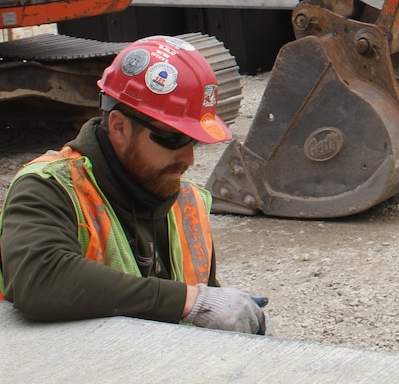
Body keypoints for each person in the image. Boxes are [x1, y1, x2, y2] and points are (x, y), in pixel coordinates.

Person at [0, 35, 266, 333]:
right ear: (119, 127)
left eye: (192, 140)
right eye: (174, 138)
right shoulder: (48, 189)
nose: (188, 157)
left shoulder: (187, 203)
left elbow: (203, 305)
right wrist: (189, 300)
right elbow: (40, 278)